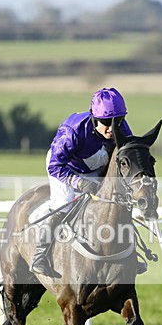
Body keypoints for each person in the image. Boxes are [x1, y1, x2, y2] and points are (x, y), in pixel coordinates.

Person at [30, 87, 133, 278]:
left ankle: (130, 254)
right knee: (64, 206)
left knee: (116, 203)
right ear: (95, 118)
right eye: (106, 122)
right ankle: (40, 255)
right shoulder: (73, 131)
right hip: (64, 166)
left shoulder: (122, 129)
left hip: (94, 166)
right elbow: (55, 165)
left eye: (118, 121)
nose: (112, 128)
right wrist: (77, 182)